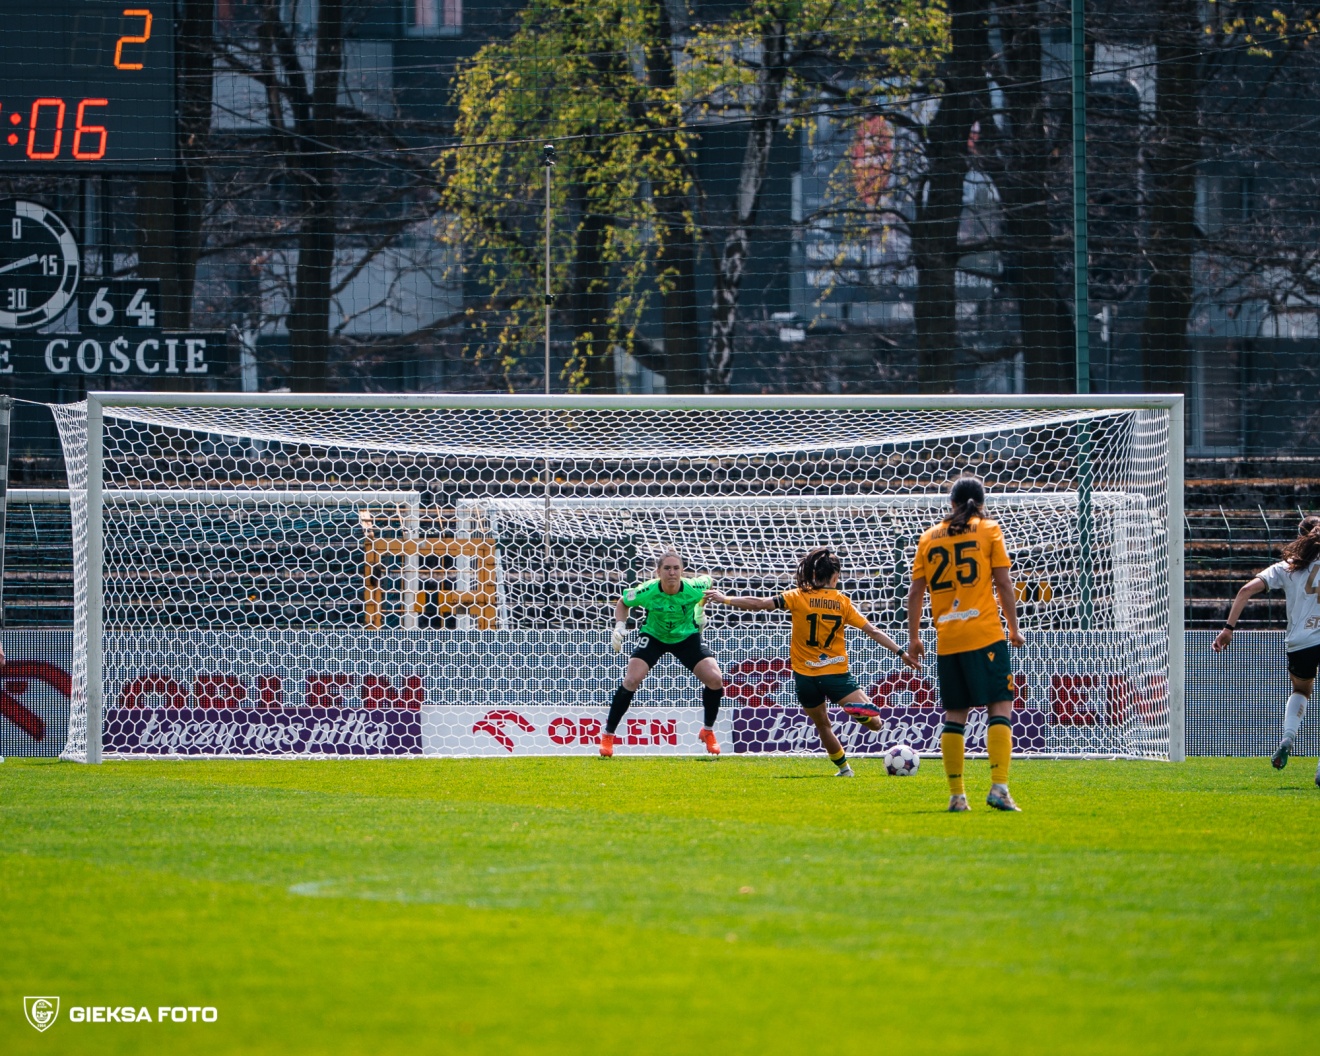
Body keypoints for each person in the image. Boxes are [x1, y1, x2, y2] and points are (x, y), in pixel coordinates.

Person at [708, 547, 916, 777]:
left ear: (814, 575)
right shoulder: (842, 602)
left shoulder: (797, 596)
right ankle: (851, 704)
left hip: (805, 677)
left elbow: (759, 603)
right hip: (835, 674)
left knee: (823, 725)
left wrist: (724, 598)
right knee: (876, 723)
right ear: (835, 576)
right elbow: (873, 631)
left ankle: (845, 770)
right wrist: (901, 653)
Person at [907, 473, 1025, 812]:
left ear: (952, 504)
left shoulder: (929, 537)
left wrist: (915, 638)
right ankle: (999, 788)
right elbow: (1003, 584)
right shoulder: (988, 530)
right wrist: (1014, 629)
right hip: (985, 634)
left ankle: (957, 796)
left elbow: (916, 591)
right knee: (999, 707)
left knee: (955, 715)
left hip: (948, 638)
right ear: (981, 503)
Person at [1213, 515, 1320, 785]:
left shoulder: (1287, 568)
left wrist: (1228, 629)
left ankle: (1288, 737)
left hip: (1300, 642)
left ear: (1300, 536)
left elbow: (1245, 590)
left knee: (1301, 690)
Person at [602, 551, 724, 757]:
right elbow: (623, 602)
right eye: (667, 568)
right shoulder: (647, 590)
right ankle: (608, 735)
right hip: (654, 636)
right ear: (658, 572)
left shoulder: (694, 587)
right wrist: (620, 626)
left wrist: (699, 612)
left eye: (676, 568)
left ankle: (708, 731)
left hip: (686, 637)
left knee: (715, 680)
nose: (672, 572)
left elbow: (710, 583)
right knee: (631, 680)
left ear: (682, 570)